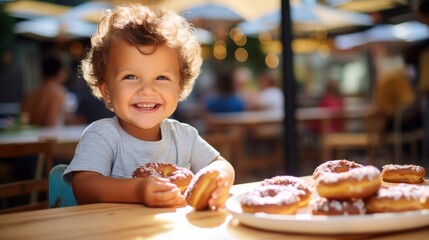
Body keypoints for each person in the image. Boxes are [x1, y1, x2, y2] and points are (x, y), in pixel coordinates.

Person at [63, 4, 235, 209]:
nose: (147, 90)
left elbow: (223, 165)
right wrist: (138, 190)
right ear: (107, 90)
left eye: (161, 77)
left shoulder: (184, 137)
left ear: (179, 87)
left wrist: (218, 178)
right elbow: (84, 187)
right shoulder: (103, 135)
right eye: (131, 77)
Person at [21, 53, 77, 127]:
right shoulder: (59, 94)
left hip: (30, 137)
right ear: (60, 72)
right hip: (51, 137)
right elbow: (49, 124)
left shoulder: (30, 94)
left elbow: (24, 122)